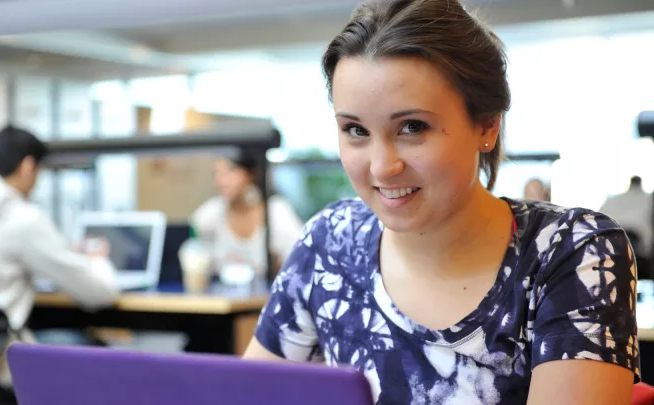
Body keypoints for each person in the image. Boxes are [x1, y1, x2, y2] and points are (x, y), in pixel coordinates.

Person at [244, 1, 639, 404]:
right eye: (356, 130)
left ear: (486, 124)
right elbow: (246, 395)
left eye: (412, 127)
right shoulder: (331, 242)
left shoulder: (569, 252)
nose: (382, 168)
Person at [0, 125, 120, 385]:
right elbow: (99, 293)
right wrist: (97, 260)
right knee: (90, 347)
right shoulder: (23, 218)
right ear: (27, 166)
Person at [190, 153, 303, 280]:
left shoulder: (277, 213)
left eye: (230, 171)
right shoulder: (208, 215)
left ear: (251, 174)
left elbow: (301, 266)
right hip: (223, 296)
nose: (220, 181)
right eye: (216, 173)